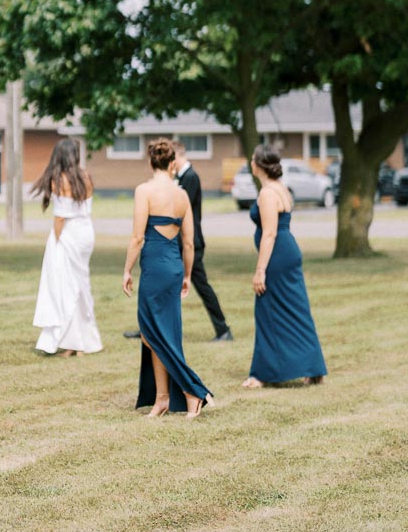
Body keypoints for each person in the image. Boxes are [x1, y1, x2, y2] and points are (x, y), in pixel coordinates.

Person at [122, 137, 213, 418]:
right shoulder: (182, 195)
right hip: (173, 268)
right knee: (157, 334)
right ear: (172, 163)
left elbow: (138, 237)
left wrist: (127, 269)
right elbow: (189, 243)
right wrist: (186, 274)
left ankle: (191, 392)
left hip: (154, 268)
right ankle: (162, 398)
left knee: (153, 333)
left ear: (151, 162)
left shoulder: (144, 191)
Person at [243, 145, 327, 390]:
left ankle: (263, 373)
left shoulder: (268, 193)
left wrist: (260, 270)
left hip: (277, 256)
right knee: (296, 310)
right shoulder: (282, 189)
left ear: (258, 165)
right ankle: (313, 367)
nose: (250, 163)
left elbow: (269, 233)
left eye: (251, 159)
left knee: (267, 309)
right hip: (287, 251)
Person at [31, 138, 103, 356]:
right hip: (86, 233)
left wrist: (56, 241)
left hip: (69, 235)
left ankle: (74, 343)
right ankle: (81, 342)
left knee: (64, 288)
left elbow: (60, 217)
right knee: (80, 286)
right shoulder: (86, 176)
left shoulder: (60, 180)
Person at [172, 139, 233, 342]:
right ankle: (153, 329)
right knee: (165, 286)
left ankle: (223, 329)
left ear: (178, 156)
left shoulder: (190, 178)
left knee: (202, 286)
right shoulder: (179, 177)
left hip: (192, 242)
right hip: (179, 242)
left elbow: (181, 209)